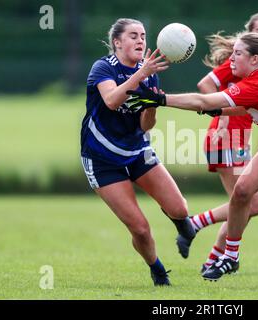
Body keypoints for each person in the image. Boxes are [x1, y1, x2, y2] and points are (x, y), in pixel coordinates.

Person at [127, 32, 258, 286]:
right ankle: (230, 255)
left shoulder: (257, 84)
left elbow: (202, 99)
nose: (231, 59)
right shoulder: (257, 78)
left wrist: (160, 99)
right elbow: (248, 106)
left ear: (254, 60)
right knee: (242, 192)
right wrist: (218, 110)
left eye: (237, 54)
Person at [80, 18, 196, 287]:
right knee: (141, 229)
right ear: (117, 42)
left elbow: (146, 125)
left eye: (143, 35)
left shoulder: (149, 73)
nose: (140, 40)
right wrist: (141, 75)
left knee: (179, 208)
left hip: (136, 150)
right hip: (102, 159)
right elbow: (111, 101)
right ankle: (158, 271)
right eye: (133, 36)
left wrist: (153, 105)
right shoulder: (103, 68)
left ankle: (184, 229)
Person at [185, 13, 258, 274]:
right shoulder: (239, 61)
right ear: (248, 34)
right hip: (226, 138)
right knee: (252, 204)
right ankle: (198, 229)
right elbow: (205, 84)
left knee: (248, 205)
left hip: (240, 142)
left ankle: (214, 257)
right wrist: (222, 114)